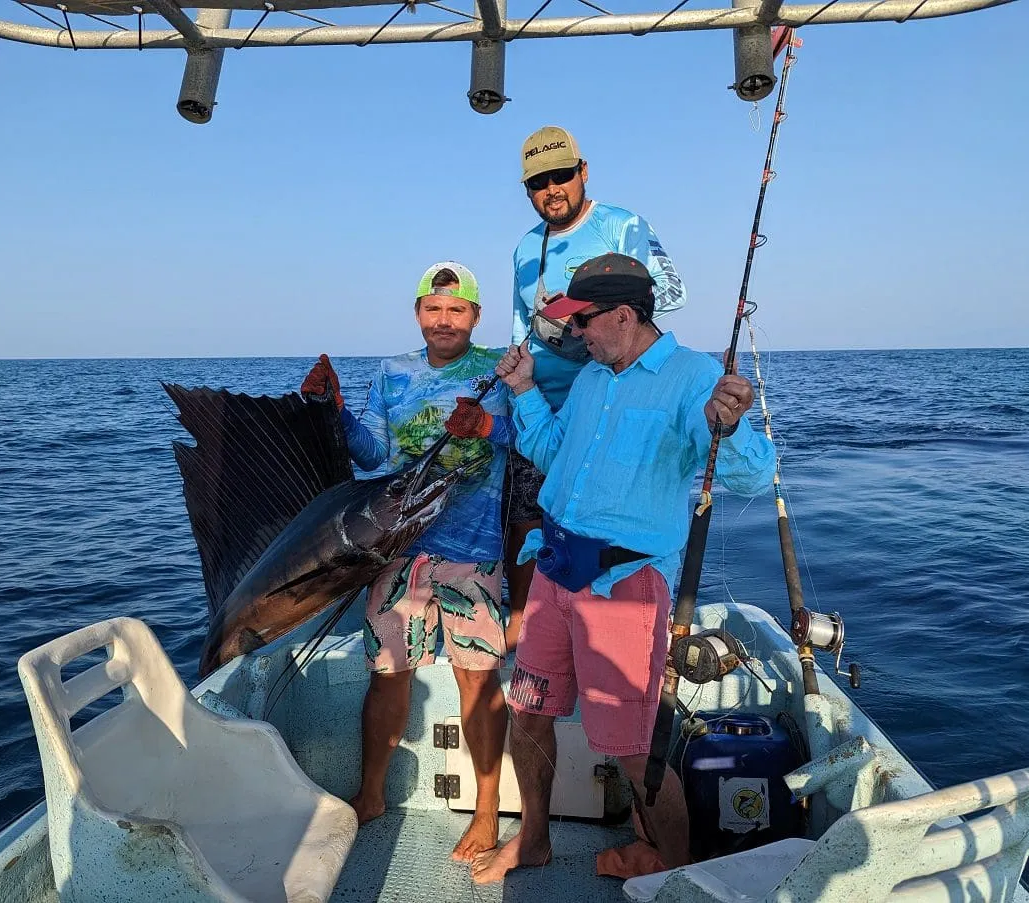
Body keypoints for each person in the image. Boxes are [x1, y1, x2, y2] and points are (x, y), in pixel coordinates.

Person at [471, 252, 777, 884]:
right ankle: (533, 839)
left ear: (624, 314)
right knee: (529, 713)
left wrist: (734, 423)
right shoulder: (590, 378)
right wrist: (526, 391)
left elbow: (753, 474)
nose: (575, 334)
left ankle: (675, 871)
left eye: (583, 321)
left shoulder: (695, 378)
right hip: (554, 568)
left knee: (636, 751)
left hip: (624, 586)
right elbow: (554, 455)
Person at [300, 262, 511, 863]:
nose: (444, 320)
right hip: (398, 552)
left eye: (457, 309)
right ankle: (370, 794)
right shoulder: (393, 374)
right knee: (387, 672)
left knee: (478, 681)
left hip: (473, 555)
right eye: (433, 308)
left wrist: (490, 425)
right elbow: (371, 453)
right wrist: (333, 410)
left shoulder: (501, 369)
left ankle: (489, 811)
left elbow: (533, 436)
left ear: (475, 316)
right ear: (419, 312)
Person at [504, 125, 688, 655]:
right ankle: (529, 624)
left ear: (583, 173)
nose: (552, 189)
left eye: (562, 175)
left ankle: (610, 634)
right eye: (539, 182)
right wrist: (515, 378)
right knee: (527, 515)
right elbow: (521, 324)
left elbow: (670, 294)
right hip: (536, 401)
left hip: (603, 396)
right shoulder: (524, 248)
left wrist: (590, 305)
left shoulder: (623, 225)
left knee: (601, 524)